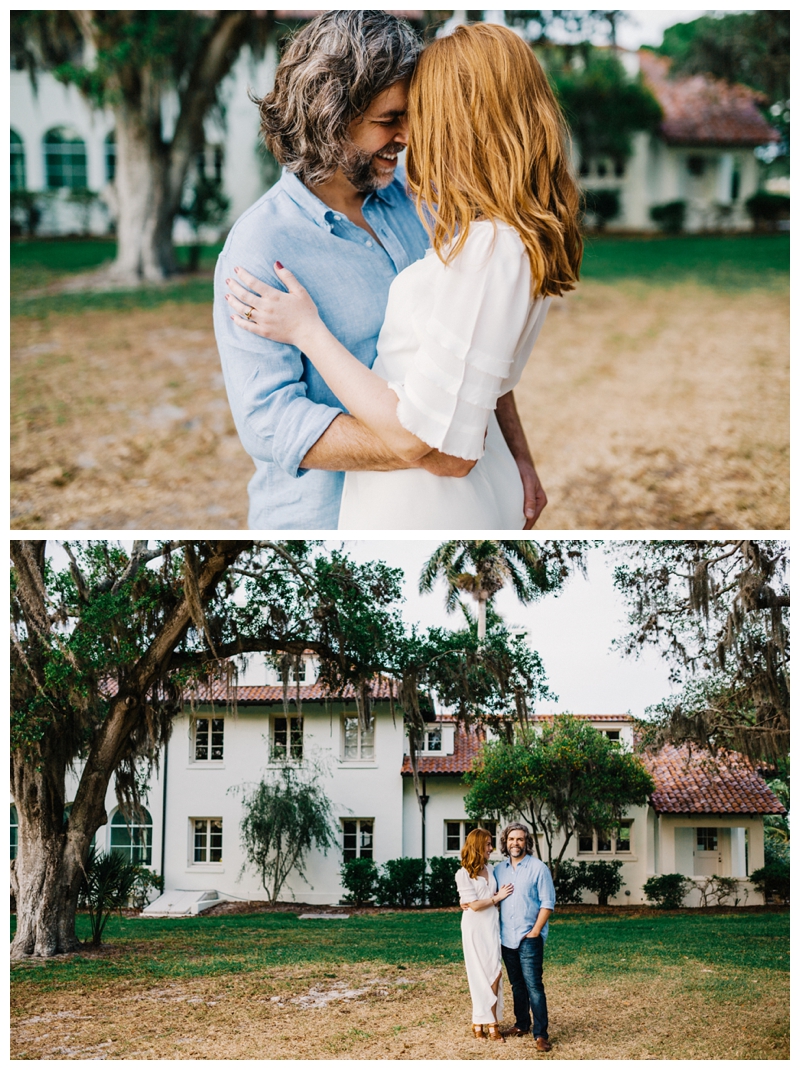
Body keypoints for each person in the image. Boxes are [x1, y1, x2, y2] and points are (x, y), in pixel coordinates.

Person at [217, 14, 571, 528]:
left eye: (412, 115)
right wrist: (431, 449)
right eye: (390, 118)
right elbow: (269, 422)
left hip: (443, 506)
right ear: (331, 117)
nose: (406, 135)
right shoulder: (260, 245)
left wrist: (517, 455)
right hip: (324, 526)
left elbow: (467, 341)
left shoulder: (418, 200)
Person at [493, 822, 556, 1050]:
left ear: (526, 842)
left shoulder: (539, 868)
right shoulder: (499, 870)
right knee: (517, 985)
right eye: (511, 839)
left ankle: (541, 1035)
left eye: (519, 839)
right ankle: (521, 1024)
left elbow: (547, 903)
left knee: (534, 986)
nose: (515, 843)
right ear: (505, 842)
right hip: (506, 938)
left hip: (529, 938)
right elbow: (490, 897)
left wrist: (536, 931)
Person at [455, 828, 514, 1041]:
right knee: (478, 974)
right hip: (474, 928)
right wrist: (495, 898)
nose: (491, 848)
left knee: (495, 972)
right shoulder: (463, 873)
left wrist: (482, 901)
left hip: (491, 926)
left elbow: (478, 902)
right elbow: (475, 906)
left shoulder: (492, 869)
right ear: (477, 846)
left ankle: (479, 1021)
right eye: (488, 844)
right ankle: (491, 1025)